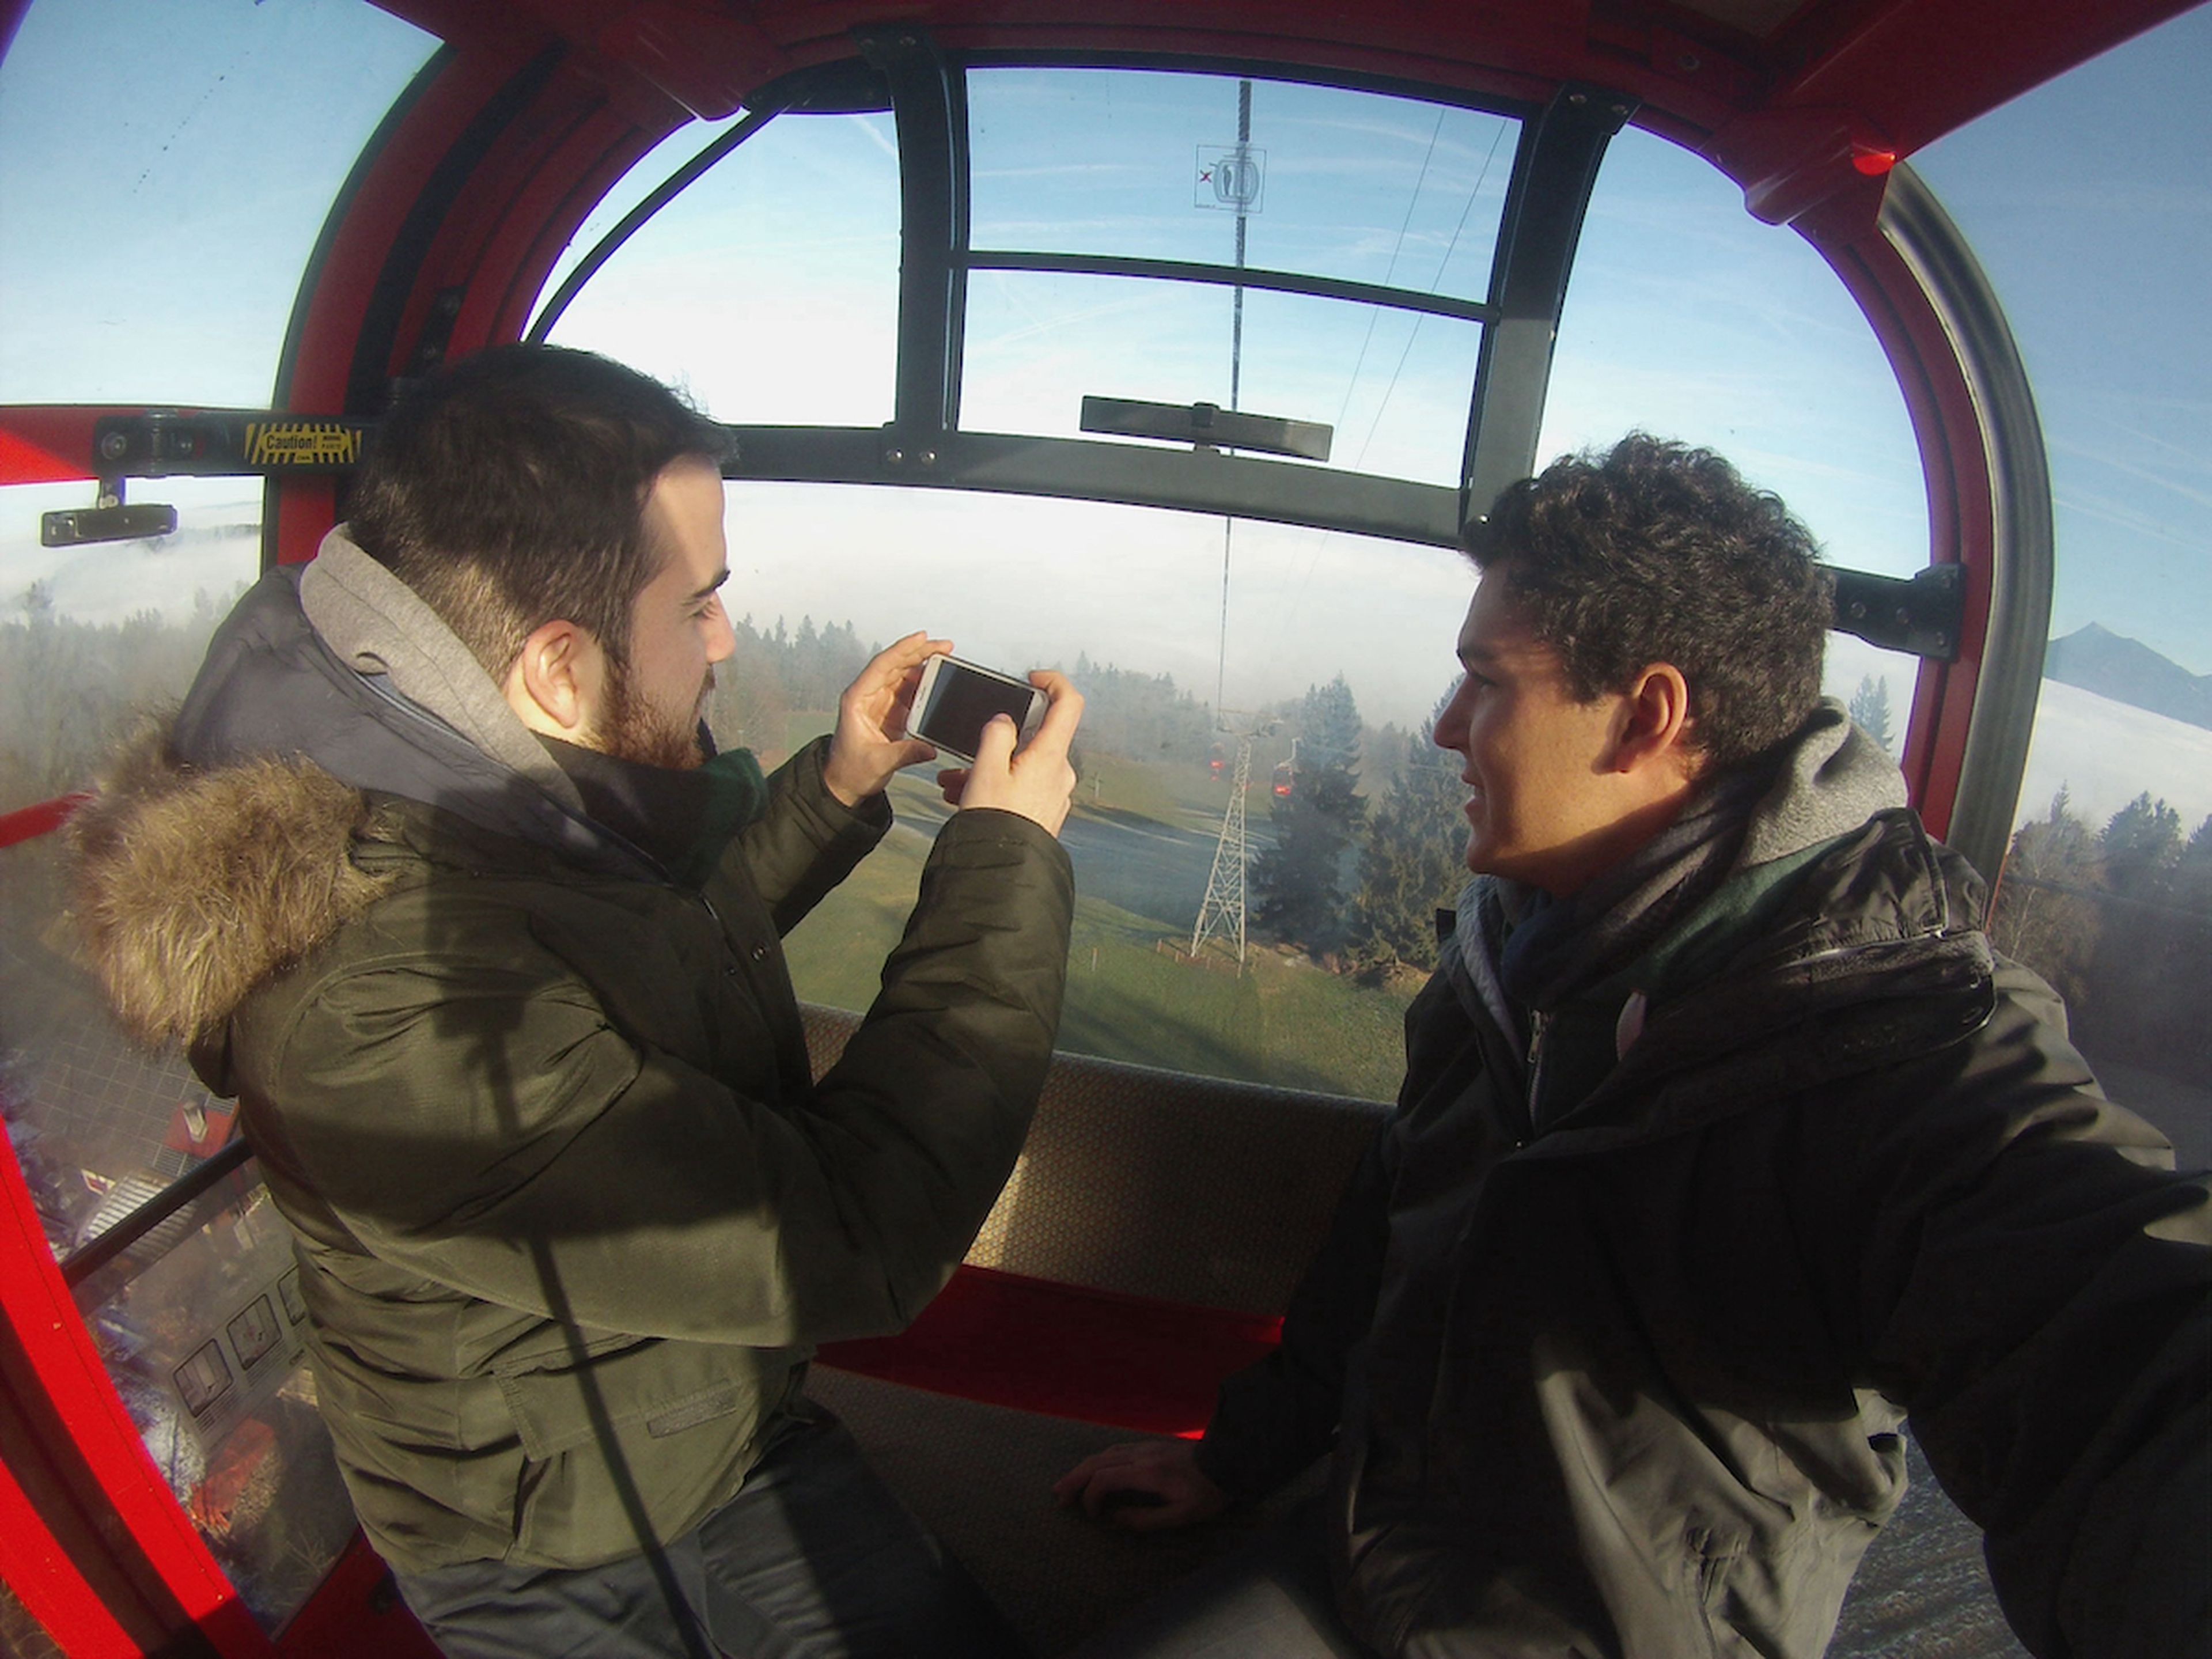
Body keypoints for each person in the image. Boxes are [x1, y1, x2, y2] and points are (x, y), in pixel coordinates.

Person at [1055, 434, 2210, 1658]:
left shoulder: (1902, 1041)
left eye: (1487, 682)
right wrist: (1244, 1458)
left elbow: (2127, 1357)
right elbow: (1394, 1214)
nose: (1447, 727)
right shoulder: (1511, 945)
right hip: (1371, 1553)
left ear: (1648, 716)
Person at [68, 343, 1083, 1658]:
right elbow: (859, 1228)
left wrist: (837, 785)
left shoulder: (476, 786)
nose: (727, 639)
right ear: (555, 668)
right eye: (701, 603)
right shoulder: (380, 1011)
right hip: (545, 1531)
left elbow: (644, 954)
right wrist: (1009, 856)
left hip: (711, 1417)